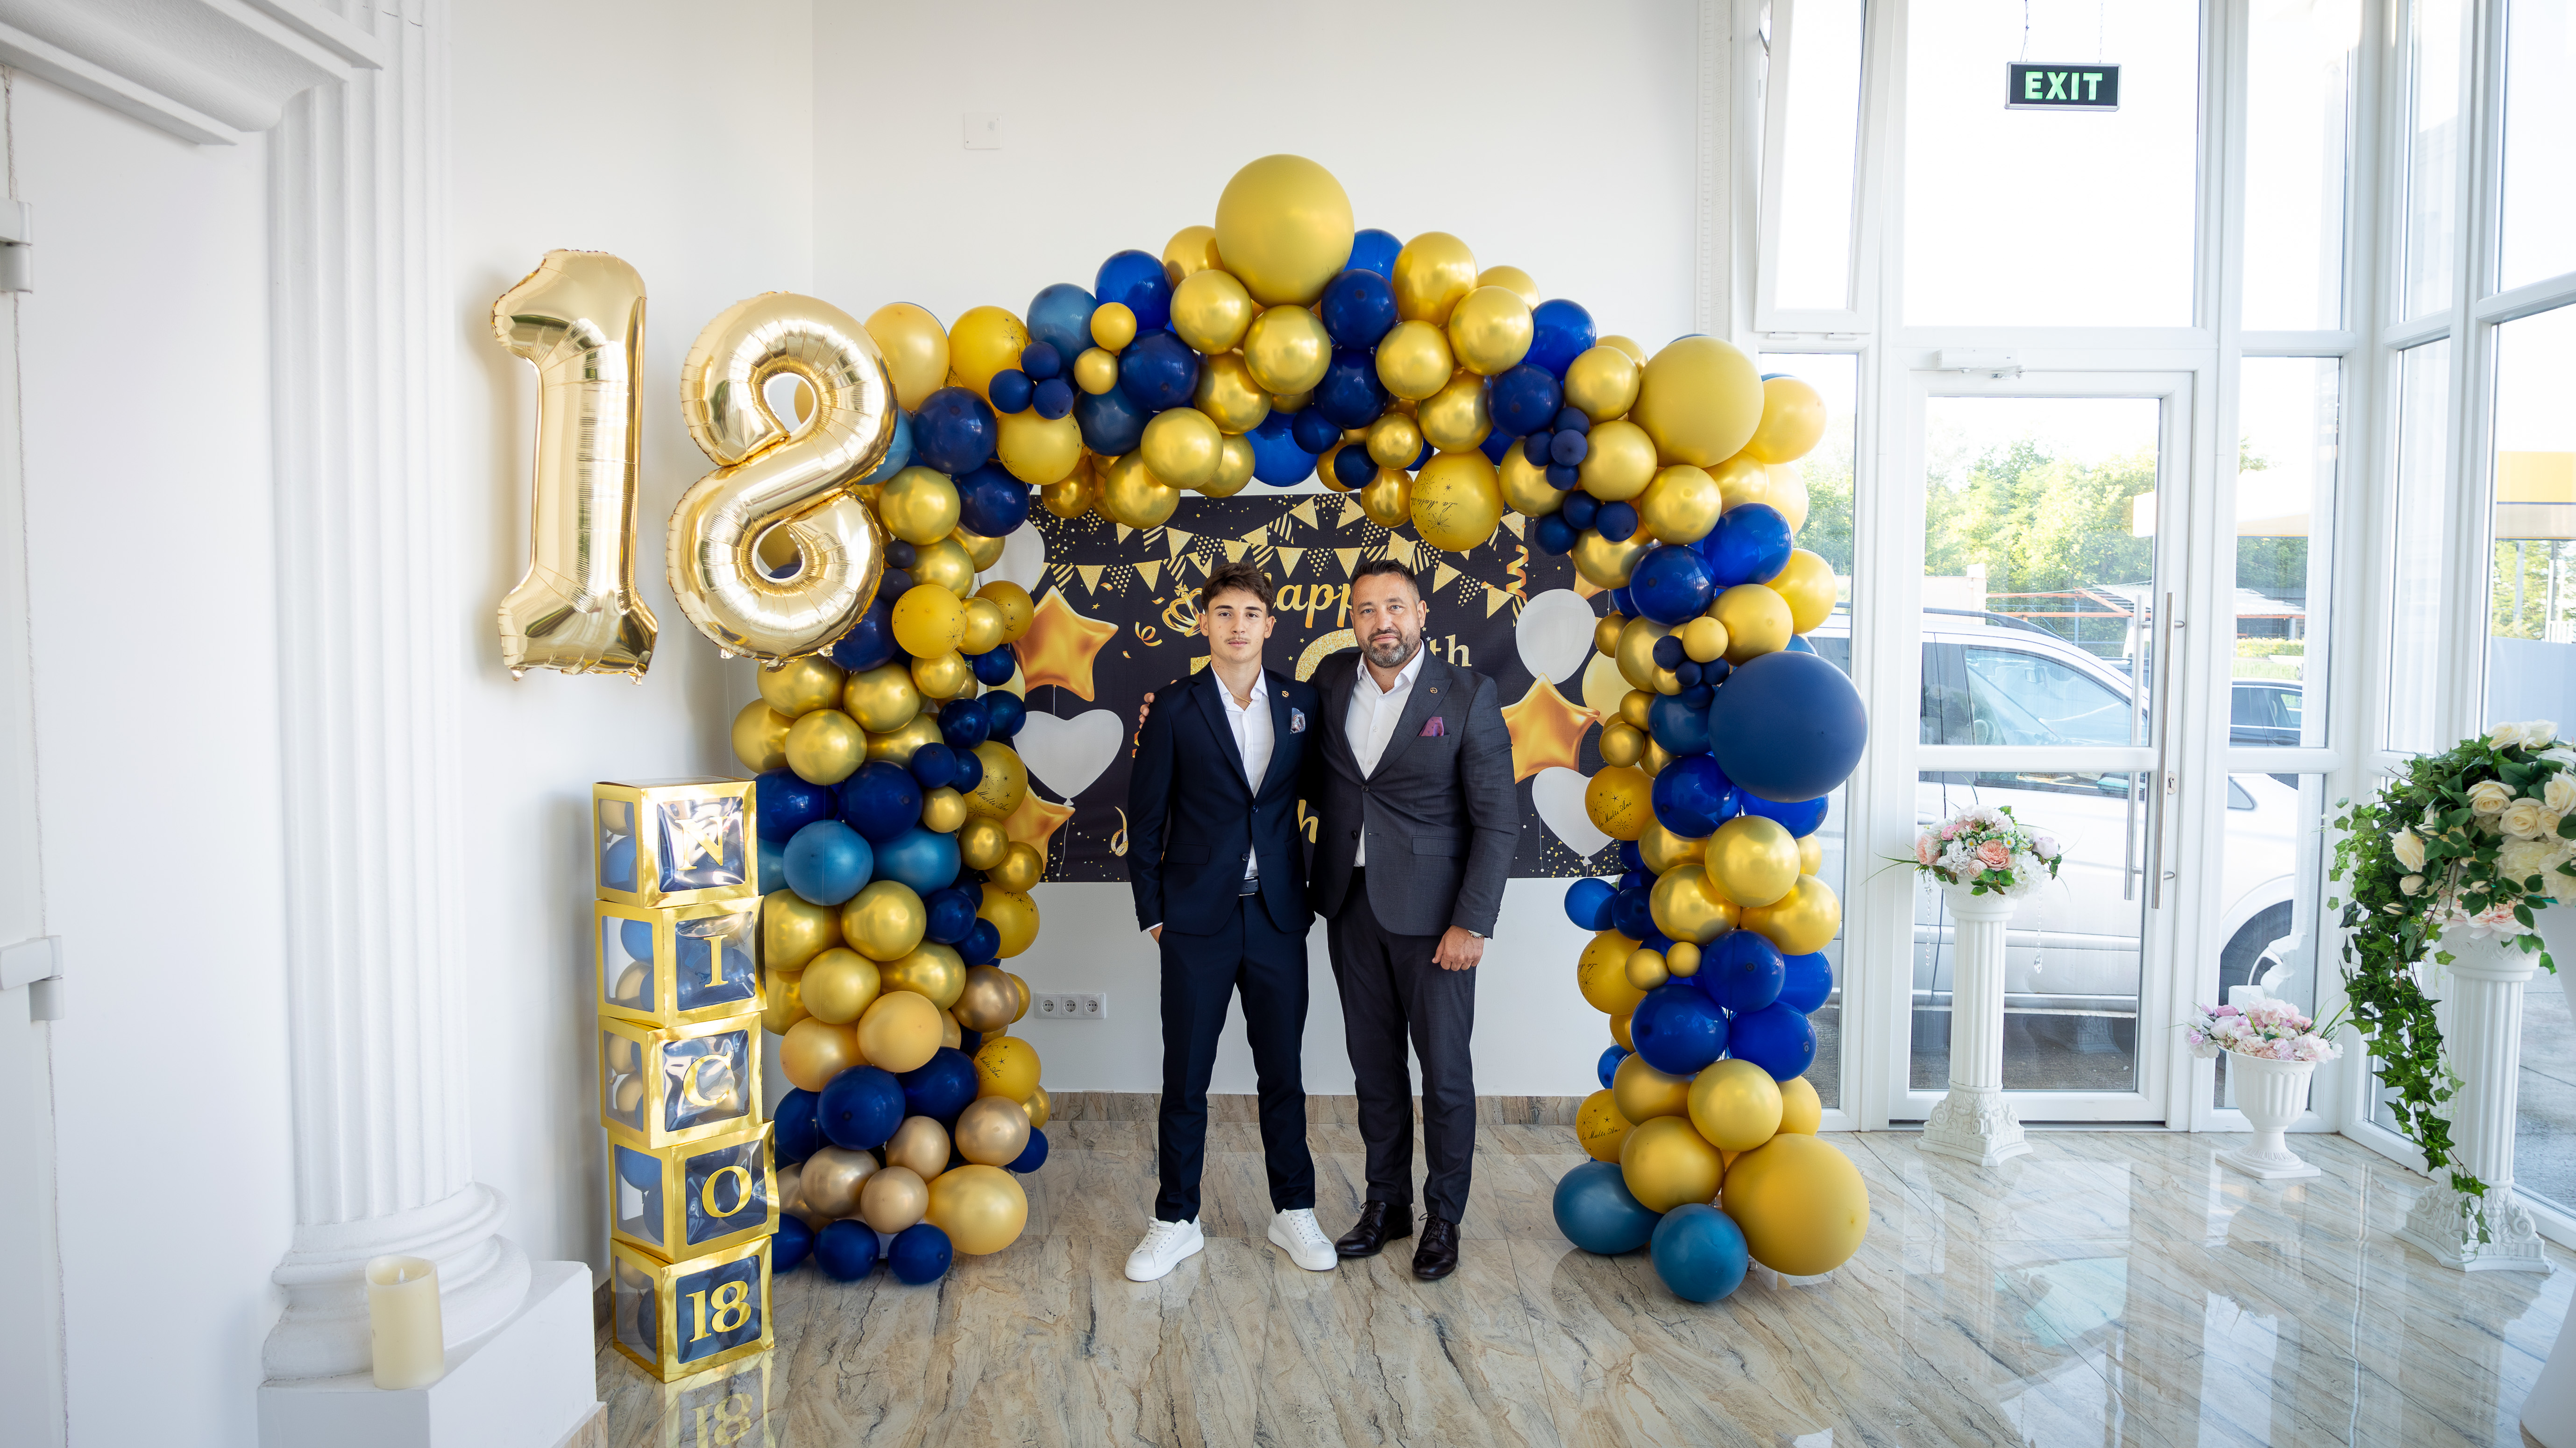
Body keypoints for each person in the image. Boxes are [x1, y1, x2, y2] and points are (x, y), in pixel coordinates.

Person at [1120, 560, 1335, 1283]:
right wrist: (1154, 914)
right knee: (1185, 1077)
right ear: (1203, 623)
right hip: (1194, 920)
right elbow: (1146, 818)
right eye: (1224, 613)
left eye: (1250, 613)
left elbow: (1330, 793)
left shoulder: (1302, 703)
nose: (1237, 626)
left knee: (1284, 1073)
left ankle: (1293, 1208)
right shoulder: (1174, 707)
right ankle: (1176, 1218)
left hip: (1277, 914)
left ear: (1270, 625)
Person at [1304, 558, 1516, 1280]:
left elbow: (1498, 822)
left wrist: (1473, 923)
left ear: (1422, 613)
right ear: (1352, 619)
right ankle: (1386, 1204)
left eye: (1395, 606)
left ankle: (1443, 1218)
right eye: (1366, 609)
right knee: (1374, 1070)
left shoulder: (1467, 692)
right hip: (1351, 904)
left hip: (1437, 922)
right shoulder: (1332, 681)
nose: (1382, 621)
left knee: (1446, 1075)